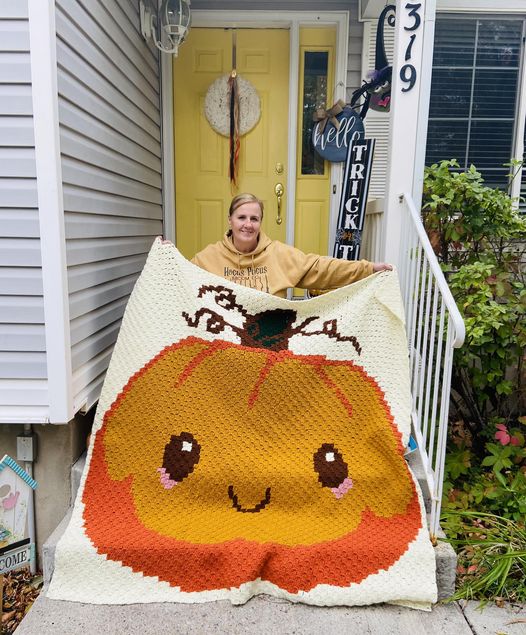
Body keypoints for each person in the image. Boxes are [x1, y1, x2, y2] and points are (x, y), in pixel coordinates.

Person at [191, 193, 392, 298]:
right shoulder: (209, 257)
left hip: (270, 339)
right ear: (230, 220)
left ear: (261, 222)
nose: (248, 224)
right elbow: (180, 279)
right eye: (241, 217)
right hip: (224, 341)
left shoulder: (278, 254)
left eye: (254, 218)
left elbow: (320, 268)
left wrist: (369, 268)